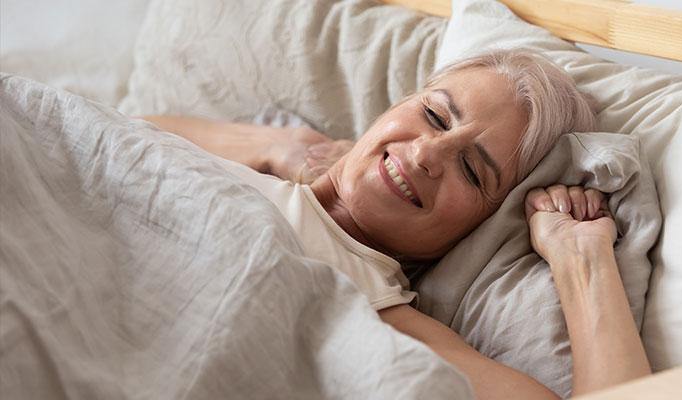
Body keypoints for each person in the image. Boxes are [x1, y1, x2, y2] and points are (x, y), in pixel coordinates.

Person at [141, 50, 650, 399]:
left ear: (476, 227)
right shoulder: (258, 165)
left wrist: (582, 261)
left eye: (472, 170)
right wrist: (278, 146)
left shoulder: (384, 317)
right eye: (433, 115)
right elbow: (118, 138)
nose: (428, 153)